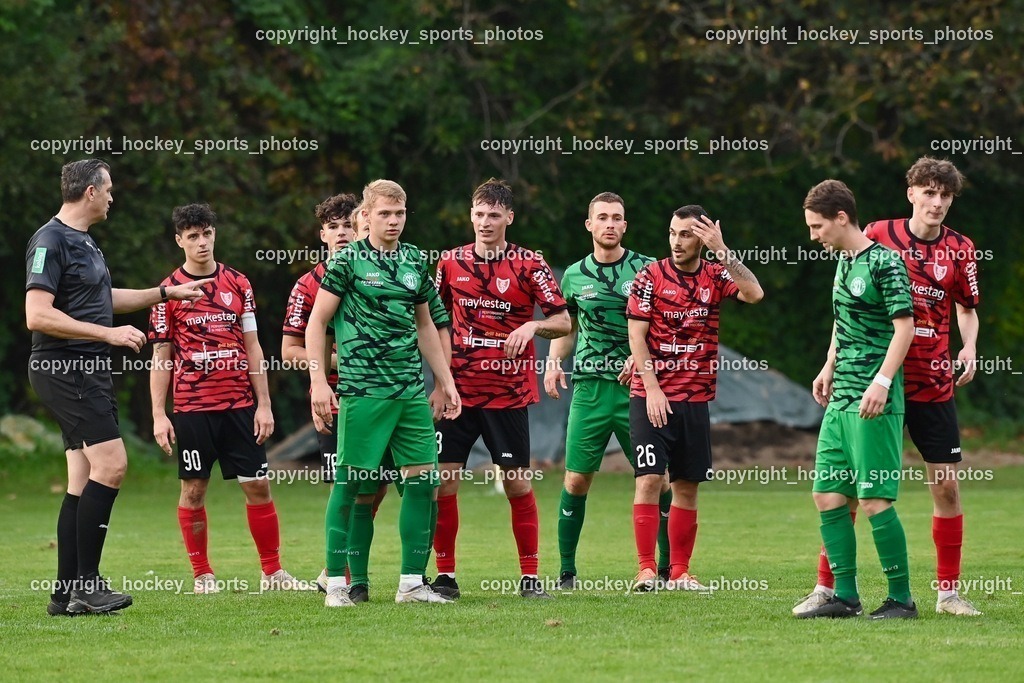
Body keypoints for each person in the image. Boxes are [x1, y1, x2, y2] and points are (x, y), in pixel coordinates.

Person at [793, 159, 982, 617]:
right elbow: (849, 311)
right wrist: (831, 362)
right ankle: (828, 587)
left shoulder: (960, 248)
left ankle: (948, 594)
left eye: (945, 195)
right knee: (844, 488)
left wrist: (970, 347)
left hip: (929, 381)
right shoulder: (877, 235)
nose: (937, 203)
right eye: (929, 192)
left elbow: (966, 308)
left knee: (945, 487)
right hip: (872, 380)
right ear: (911, 193)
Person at [26, 159, 209, 615]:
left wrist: (164, 294)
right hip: (66, 368)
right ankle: (88, 586)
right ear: (90, 191)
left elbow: (102, 300)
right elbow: (37, 314)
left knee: (81, 478)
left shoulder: (85, 242)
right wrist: (107, 335)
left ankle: (66, 593)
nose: (112, 197)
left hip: (83, 369)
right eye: (108, 189)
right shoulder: (50, 240)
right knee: (112, 465)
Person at [307, 179, 461, 606]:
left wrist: (445, 380)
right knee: (351, 485)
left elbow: (426, 324)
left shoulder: (414, 260)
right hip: (363, 391)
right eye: (384, 214)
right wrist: (319, 381)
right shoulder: (347, 261)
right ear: (366, 216)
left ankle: (411, 584)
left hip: (409, 393)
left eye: (400, 213)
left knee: (423, 483)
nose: (393, 221)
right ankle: (336, 585)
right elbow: (317, 322)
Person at [149, 203, 306, 594]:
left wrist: (264, 405)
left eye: (207, 234)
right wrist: (158, 415)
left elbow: (253, 347)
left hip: (240, 406)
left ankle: (273, 574)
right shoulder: (167, 292)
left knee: (258, 486)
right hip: (192, 409)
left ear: (214, 234)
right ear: (179, 241)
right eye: (193, 236)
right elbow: (161, 356)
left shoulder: (238, 283)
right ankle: (203, 575)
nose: (201, 242)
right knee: (193, 490)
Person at [432, 178, 571, 599]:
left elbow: (563, 321)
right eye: (479, 214)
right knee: (444, 484)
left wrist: (533, 326)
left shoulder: (530, 265)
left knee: (517, 485)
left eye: (494, 215)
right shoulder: (449, 262)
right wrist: (439, 383)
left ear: (509, 217)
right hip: (457, 393)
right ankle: (445, 577)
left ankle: (530, 578)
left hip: (508, 395)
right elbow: (433, 323)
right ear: (470, 216)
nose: (485, 222)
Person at [626, 205, 763, 592]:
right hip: (650, 396)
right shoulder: (650, 275)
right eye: (673, 232)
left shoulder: (716, 275)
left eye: (685, 234)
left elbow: (754, 293)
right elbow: (636, 336)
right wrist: (652, 388)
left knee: (687, 485)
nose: (676, 241)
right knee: (649, 479)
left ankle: (680, 572)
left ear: (702, 238)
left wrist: (723, 251)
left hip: (695, 398)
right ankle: (645, 570)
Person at [797, 179, 917, 619]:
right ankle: (845, 597)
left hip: (873, 399)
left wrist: (882, 382)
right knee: (828, 494)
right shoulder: (844, 261)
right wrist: (828, 365)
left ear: (841, 217)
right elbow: (841, 319)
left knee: (873, 500)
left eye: (817, 226)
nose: (813, 236)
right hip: (841, 397)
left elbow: (904, 327)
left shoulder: (886, 262)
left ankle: (902, 599)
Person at [543, 192, 671, 590]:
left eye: (617, 217)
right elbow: (566, 327)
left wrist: (641, 355)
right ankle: (567, 572)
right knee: (576, 480)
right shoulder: (574, 275)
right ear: (590, 225)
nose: (610, 224)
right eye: (602, 217)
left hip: (638, 388)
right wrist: (553, 361)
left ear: (625, 225)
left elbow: (667, 325)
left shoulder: (648, 269)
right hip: (590, 390)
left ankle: (666, 568)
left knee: (659, 479)